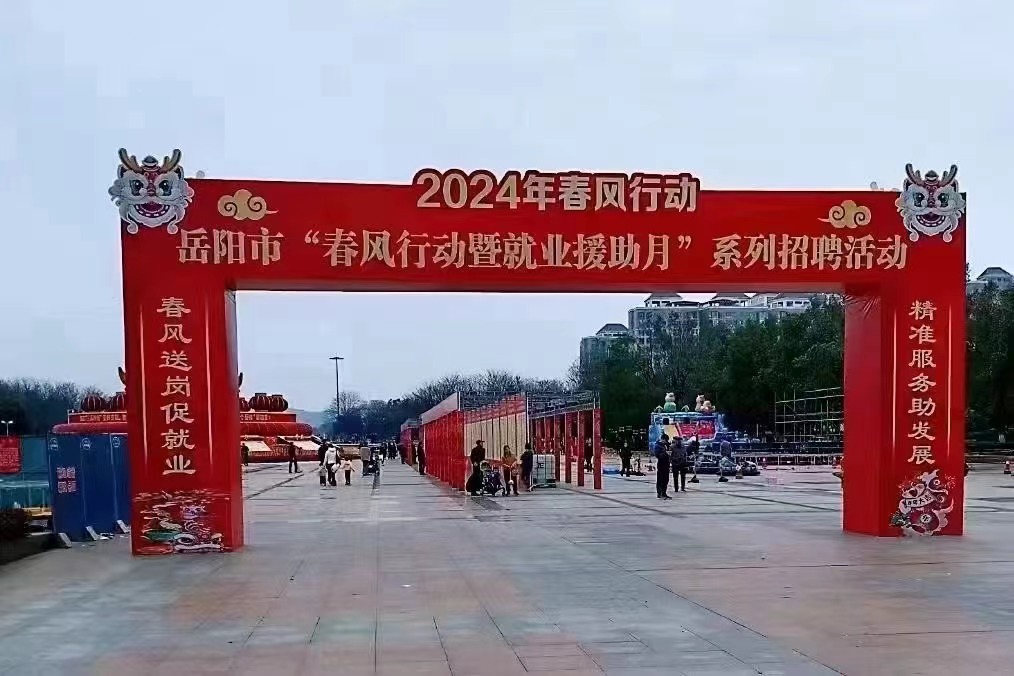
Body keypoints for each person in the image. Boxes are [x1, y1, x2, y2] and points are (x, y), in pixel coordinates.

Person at [655, 434, 672, 499]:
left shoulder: (666, 445)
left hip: (666, 464)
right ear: (662, 439)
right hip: (661, 464)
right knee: (660, 479)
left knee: (666, 480)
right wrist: (665, 453)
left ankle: (664, 493)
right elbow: (657, 455)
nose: (666, 441)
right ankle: (659, 493)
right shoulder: (658, 446)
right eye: (665, 440)